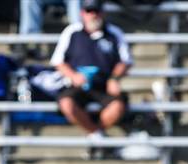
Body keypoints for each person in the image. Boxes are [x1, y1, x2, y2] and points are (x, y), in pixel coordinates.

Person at [51, 0, 132, 151]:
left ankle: (96, 134)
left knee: (118, 106)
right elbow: (58, 62)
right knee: (66, 103)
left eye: (96, 11)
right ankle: (96, 134)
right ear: (82, 13)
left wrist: (114, 79)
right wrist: (73, 76)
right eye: (89, 11)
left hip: (103, 86)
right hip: (78, 86)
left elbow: (125, 62)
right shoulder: (72, 32)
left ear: (102, 13)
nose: (93, 15)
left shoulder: (114, 33)